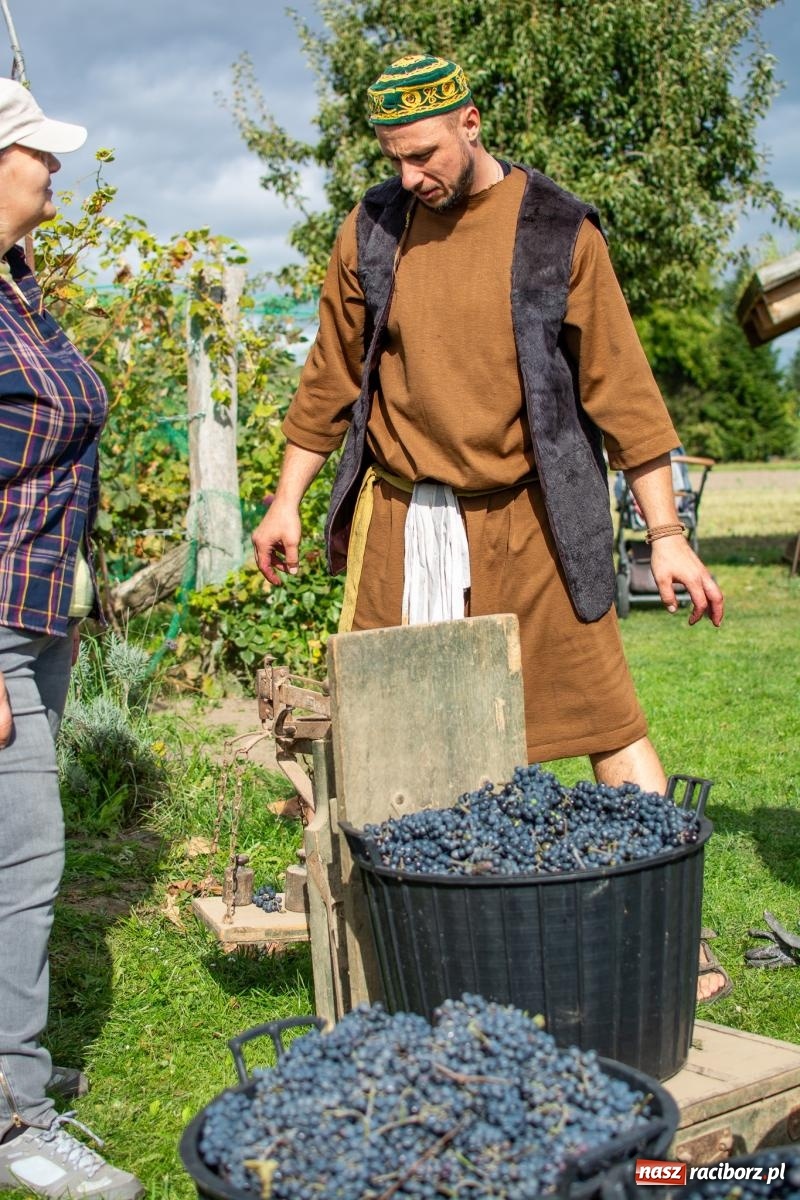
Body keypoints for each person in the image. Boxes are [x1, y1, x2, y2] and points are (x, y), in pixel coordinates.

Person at [251, 55, 726, 999]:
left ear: (469, 123)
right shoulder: (373, 230)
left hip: (534, 518)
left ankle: (671, 934)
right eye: (393, 159)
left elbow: (624, 394)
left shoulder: (557, 231)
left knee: (606, 721)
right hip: (401, 517)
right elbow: (330, 379)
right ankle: (392, 930)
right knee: (372, 725)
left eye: (423, 154)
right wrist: (284, 499)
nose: (410, 177)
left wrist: (666, 532)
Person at [0, 78, 143, 1198]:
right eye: (37, 153)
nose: (55, 170)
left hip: (35, 618)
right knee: (23, 864)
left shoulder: (13, 282)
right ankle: (17, 1121)